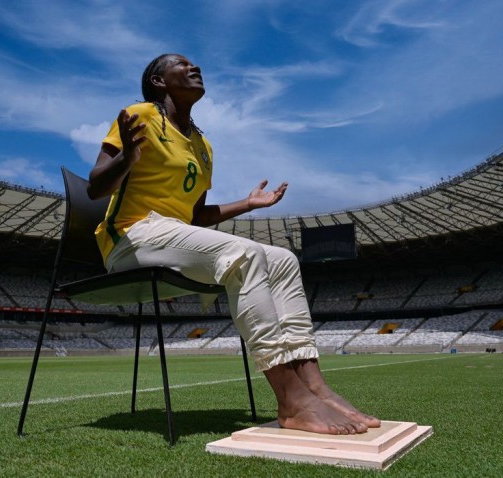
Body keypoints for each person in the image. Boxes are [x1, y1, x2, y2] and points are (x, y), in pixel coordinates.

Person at [88, 53, 380, 435]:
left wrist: (247, 204)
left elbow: (195, 216)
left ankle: (316, 387)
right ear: (159, 82)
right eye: (182, 64)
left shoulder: (202, 146)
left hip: (170, 236)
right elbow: (96, 187)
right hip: (132, 237)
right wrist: (127, 156)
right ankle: (292, 400)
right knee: (245, 253)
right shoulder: (139, 115)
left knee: (283, 260)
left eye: (195, 64)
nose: (194, 67)